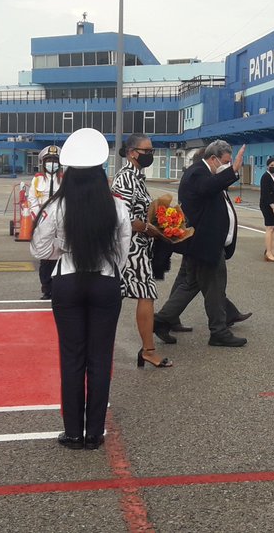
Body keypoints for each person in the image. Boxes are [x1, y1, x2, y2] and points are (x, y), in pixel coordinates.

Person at [31, 128, 132, 450]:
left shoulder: (56, 205)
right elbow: (124, 251)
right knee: (100, 359)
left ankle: (73, 432)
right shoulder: (117, 207)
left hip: (68, 280)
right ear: (102, 171)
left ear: (68, 172)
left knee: (72, 356)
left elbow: (39, 248)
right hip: (105, 281)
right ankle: (95, 433)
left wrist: (64, 250)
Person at [152, 140, 250, 348]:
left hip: (203, 244)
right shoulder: (198, 173)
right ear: (213, 159)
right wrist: (232, 171)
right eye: (225, 161)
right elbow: (207, 188)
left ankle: (161, 320)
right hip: (204, 244)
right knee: (215, 287)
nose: (228, 164)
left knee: (190, 285)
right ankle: (218, 331)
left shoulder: (208, 174)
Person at [112, 133, 173, 369]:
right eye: (146, 151)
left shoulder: (138, 178)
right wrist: (151, 229)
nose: (150, 154)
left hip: (139, 246)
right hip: (130, 247)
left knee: (121, 296)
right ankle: (148, 350)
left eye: (151, 150)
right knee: (145, 294)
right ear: (132, 152)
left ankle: (143, 349)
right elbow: (123, 217)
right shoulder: (125, 178)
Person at [31, 145, 62, 299]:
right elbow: (32, 199)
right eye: (49, 160)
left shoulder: (65, 179)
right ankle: (46, 288)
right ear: (43, 162)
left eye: (55, 160)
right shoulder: (37, 179)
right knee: (45, 258)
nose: (52, 163)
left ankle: (58, 287)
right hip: (43, 222)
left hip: (60, 223)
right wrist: (39, 217)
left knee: (59, 256)